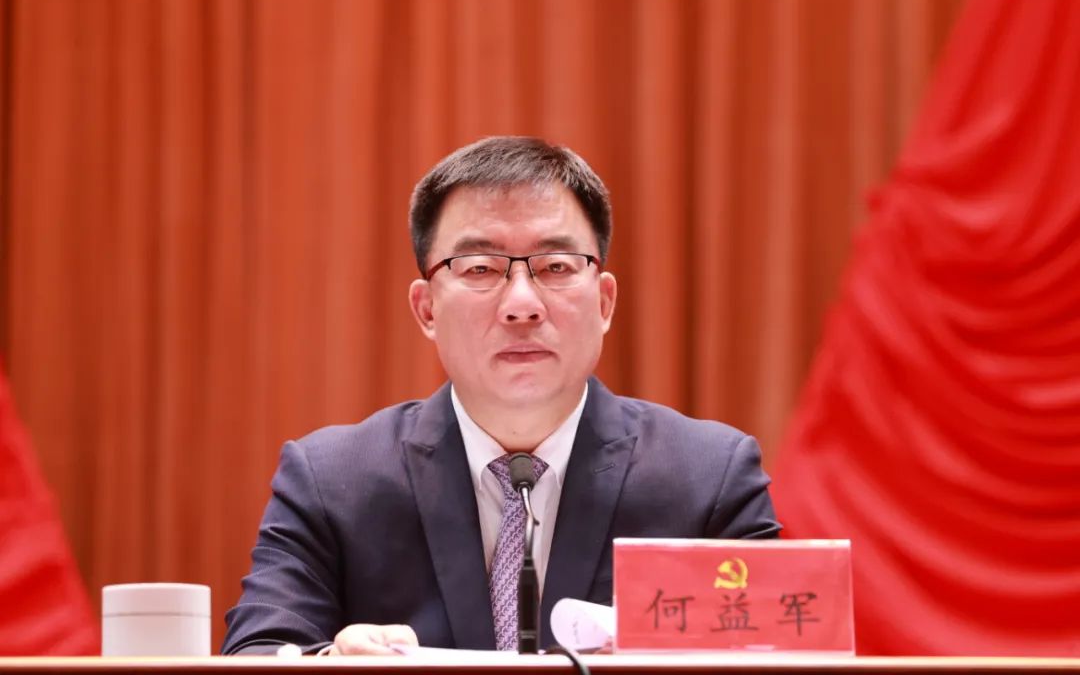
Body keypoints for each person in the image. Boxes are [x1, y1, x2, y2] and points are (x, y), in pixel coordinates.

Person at [222, 136, 780, 656]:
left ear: (604, 302)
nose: (521, 305)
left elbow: (782, 659)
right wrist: (331, 663)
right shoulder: (331, 482)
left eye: (556, 267)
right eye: (480, 268)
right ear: (426, 309)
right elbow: (258, 653)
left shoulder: (707, 480)